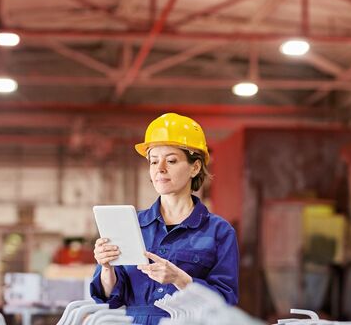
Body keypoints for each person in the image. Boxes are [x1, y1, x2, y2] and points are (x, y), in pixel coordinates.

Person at [90, 113, 239, 324]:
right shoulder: (132, 225)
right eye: (153, 161)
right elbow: (109, 298)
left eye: (171, 160)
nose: (160, 169)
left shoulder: (219, 231)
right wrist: (106, 267)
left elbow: (225, 302)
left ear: (195, 168)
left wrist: (180, 279)